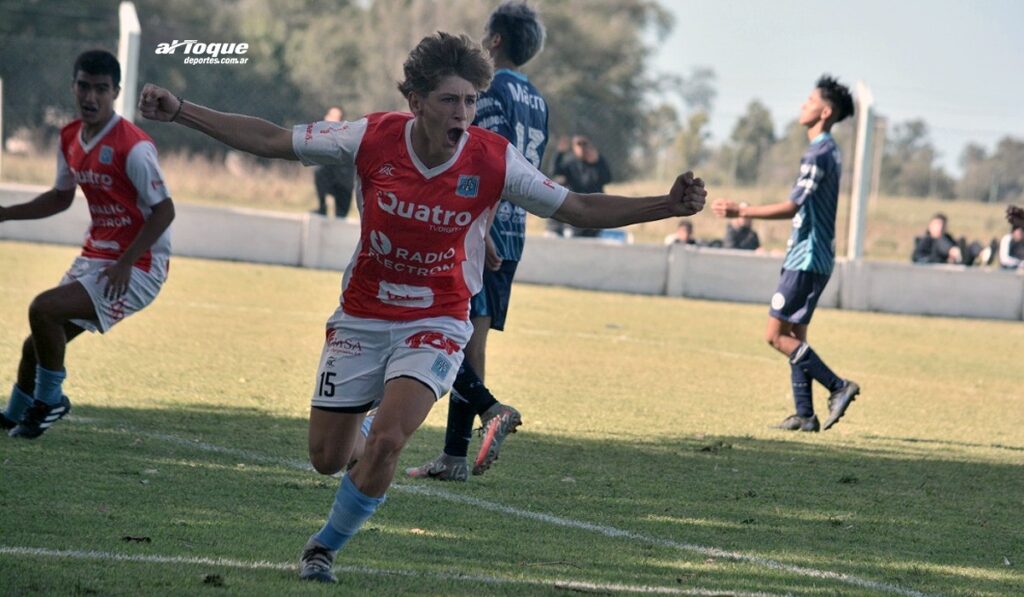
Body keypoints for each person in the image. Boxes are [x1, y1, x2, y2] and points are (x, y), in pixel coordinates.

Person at [138, 32, 706, 583]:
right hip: (362, 316)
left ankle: (324, 548)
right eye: (450, 100)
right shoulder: (371, 138)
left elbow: (577, 206)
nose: (464, 113)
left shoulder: (493, 160)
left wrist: (665, 205)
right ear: (416, 102)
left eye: (471, 101)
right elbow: (273, 140)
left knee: (388, 442)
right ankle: (358, 426)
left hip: (437, 318)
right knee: (326, 459)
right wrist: (181, 111)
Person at [406, 0, 549, 482]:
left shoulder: (491, 92)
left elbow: (482, 162)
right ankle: (454, 454)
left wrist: (479, 227)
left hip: (479, 224)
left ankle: (481, 417)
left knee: (437, 326)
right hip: (515, 229)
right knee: (470, 340)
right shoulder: (537, 99)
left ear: (494, 42)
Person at [0, 49, 175, 439]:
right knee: (41, 342)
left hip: (138, 266)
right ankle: (15, 414)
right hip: (98, 257)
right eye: (83, 86)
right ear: (73, 87)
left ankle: (50, 401)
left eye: (100, 89)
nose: (90, 97)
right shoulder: (69, 137)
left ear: (115, 91)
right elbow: (61, 197)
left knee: (42, 310)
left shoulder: (134, 146)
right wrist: (6, 213)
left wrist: (127, 263)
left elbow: (164, 211)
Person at [711, 75, 859, 433]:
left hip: (806, 257)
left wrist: (741, 212)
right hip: (814, 256)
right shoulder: (830, 151)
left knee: (775, 335)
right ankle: (805, 414)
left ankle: (838, 386)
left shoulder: (819, 152)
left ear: (824, 112)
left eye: (809, 100)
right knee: (795, 337)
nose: (802, 105)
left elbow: (793, 206)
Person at [552, 134, 612, 237]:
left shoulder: (597, 162)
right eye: (578, 144)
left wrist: (596, 163)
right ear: (573, 147)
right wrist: (559, 153)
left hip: (594, 206)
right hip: (576, 207)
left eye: (585, 144)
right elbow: (555, 172)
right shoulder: (570, 163)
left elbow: (607, 178)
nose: (582, 147)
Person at [312, 106, 356, 218]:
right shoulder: (321, 135)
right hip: (328, 179)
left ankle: (337, 212)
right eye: (330, 116)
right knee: (319, 171)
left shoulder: (347, 136)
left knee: (340, 218)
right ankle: (322, 207)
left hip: (344, 183)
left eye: (336, 118)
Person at [910, 213, 984, 265]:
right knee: (940, 240)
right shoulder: (926, 240)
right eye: (937, 224)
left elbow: (958, 245)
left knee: (974, 245)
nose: (940, 228)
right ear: (930, 226)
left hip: (958, 262)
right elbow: (917, 257)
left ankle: (984, 254)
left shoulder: (948, 238)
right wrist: (945, 260)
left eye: (943, 225)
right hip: (937, 264)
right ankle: (957, 254)